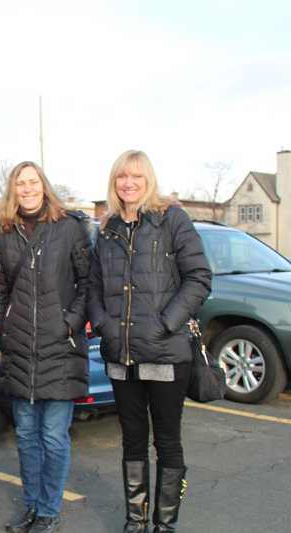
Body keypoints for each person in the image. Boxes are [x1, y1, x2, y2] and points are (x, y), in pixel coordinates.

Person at [88, 150, 211, 533]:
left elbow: (199, 277)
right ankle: (136, 521)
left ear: (148, 180)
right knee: (133, 440)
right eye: (122, 176)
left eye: (136, 176)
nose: (129, 183)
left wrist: (166, 323)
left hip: (166, 353)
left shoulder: (171, 219)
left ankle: (165, 524)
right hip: (121, 355)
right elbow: (93, 285)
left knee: (168, 441)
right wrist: (104, 324)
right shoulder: (106, 229)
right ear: (114, 182)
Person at [0, 161, 91, 533]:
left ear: (43, 186)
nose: (27, 189)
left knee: (53, 436)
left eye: (33, 182)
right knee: (25, 437)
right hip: (19, 347)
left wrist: (70, 323)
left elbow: (88, 282)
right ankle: (32, 507)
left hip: (59, 348)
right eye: (21, 183)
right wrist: (1, 331)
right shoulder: (3, 231)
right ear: (13, 189)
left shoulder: (68, 227)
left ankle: (49, 510)